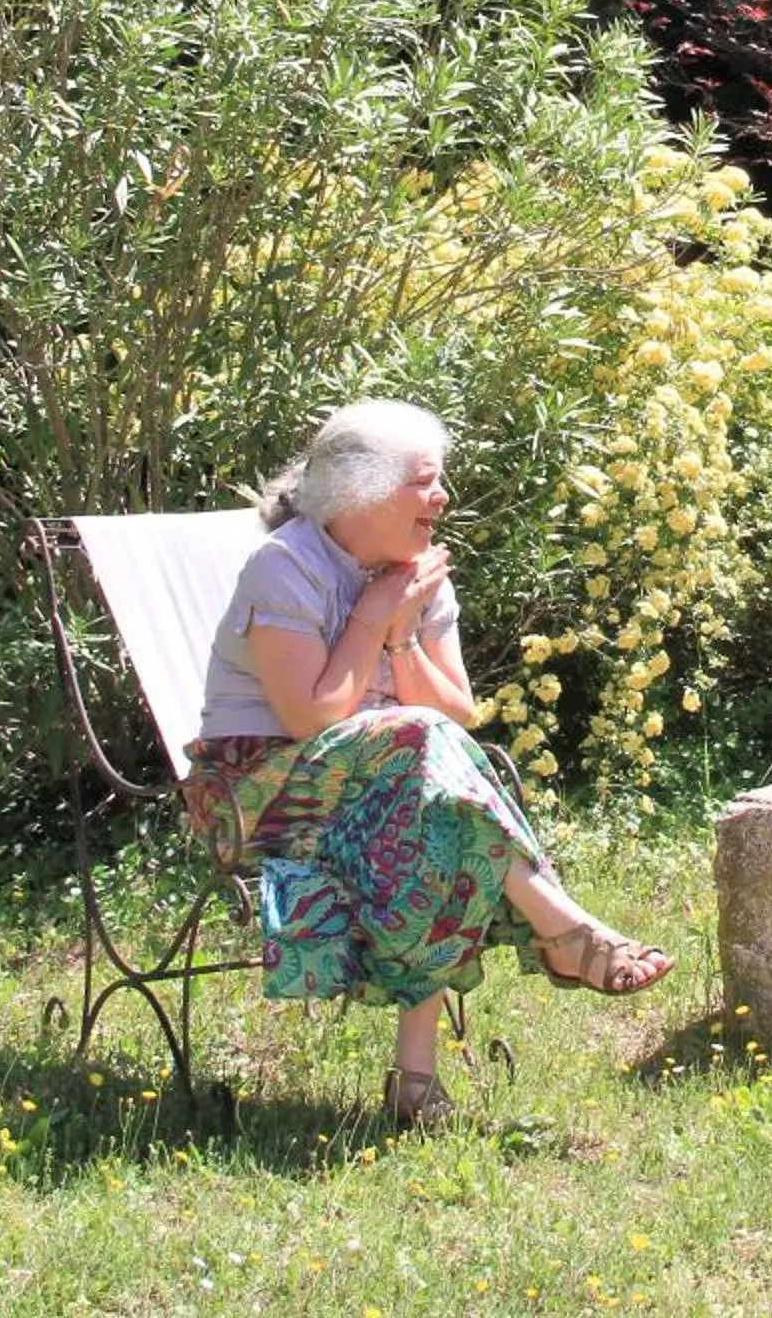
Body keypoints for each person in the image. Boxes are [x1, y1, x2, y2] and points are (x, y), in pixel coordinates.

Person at [184, 399, 671, 1127]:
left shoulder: (417, 575)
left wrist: (402, 636)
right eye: (424, 482)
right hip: (258, 793)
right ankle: (566, 930)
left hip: (377, 783)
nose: (441, 499)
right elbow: (311, 719)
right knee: (417, 747)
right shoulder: (283, 568)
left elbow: (458, 716)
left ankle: (416, 1086)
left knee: (437, 796)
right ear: (360, 489)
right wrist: (373, 618)